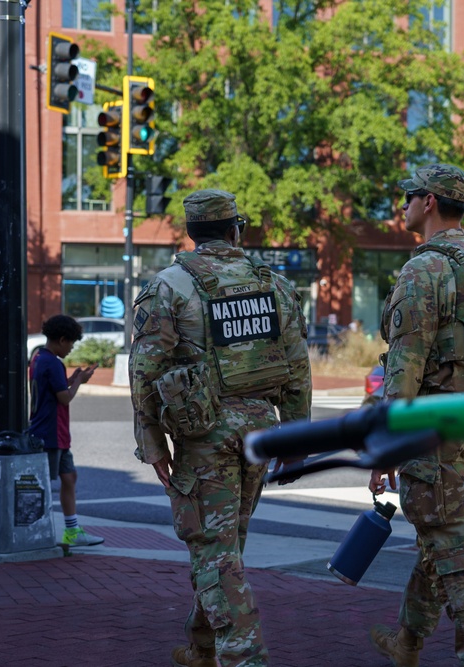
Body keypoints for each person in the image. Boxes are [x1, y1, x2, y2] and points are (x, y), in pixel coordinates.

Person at [128, 189, 312, 667]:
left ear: (191, 233)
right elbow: (297, 367)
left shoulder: (169, 284)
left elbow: (145, 369)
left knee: (214, 551)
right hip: (260, 432)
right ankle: (202, 649)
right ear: (236, 229)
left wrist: (152, 445)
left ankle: (244, 659)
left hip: (203, 434)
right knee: (225, 547)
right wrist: (296, 439)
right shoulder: (274, 284)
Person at [367, 164, 464, 667]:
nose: (403, 205)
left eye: (408, 195)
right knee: (442, 533)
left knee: (452, 545)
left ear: (429, 202)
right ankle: (408, 641)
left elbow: (405, 367)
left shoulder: (424, 269)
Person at [27, 314, 102, 548]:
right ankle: (37, 532)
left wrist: (72, 378)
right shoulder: (53, 362)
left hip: (55, 432)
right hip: (49, 432)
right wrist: (79, 382)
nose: (71, 348)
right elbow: (64, 398)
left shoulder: (39, 357)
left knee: (69, 477)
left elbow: (56, 387)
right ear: (61, 340)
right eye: (71, 343)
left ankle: (72, 530)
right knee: (44, 486)